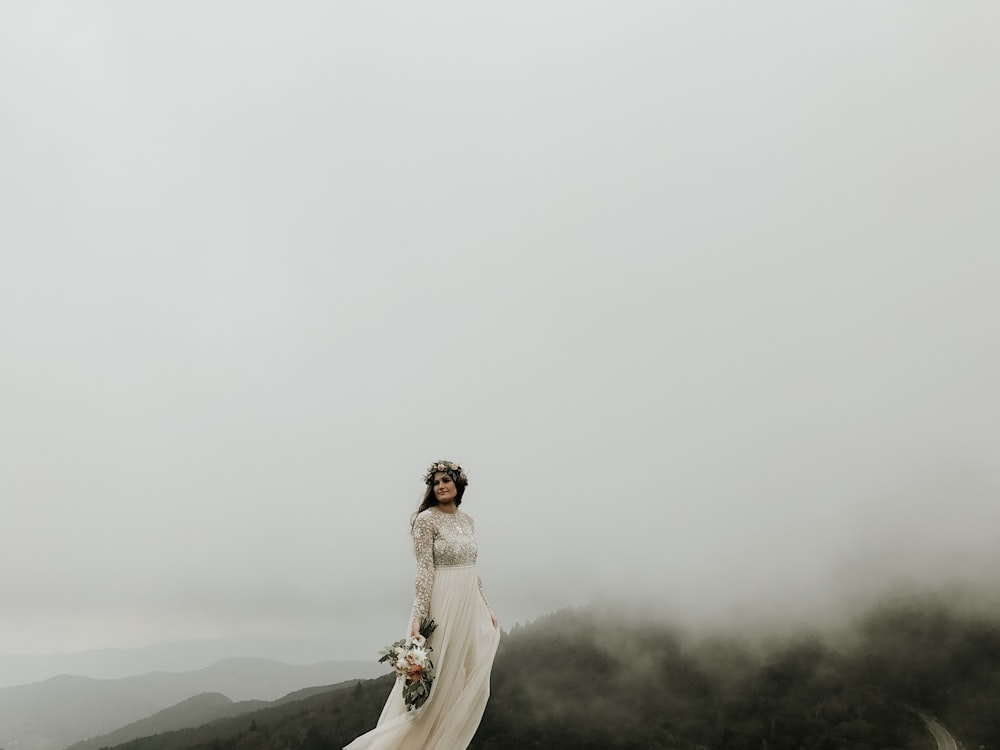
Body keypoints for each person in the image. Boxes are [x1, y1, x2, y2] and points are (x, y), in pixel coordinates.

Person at [344, 460, 500, 750]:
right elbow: (425, 571)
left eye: (446, 480)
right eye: (436, 482)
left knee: (462, 675)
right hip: (443, 602)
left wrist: (487, 607)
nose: (440, 486)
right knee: (434, 677)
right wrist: (417, 616)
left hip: (468, 602)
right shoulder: (425, 520)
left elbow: (473, 569)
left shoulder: (468, 520)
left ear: (458, 485)